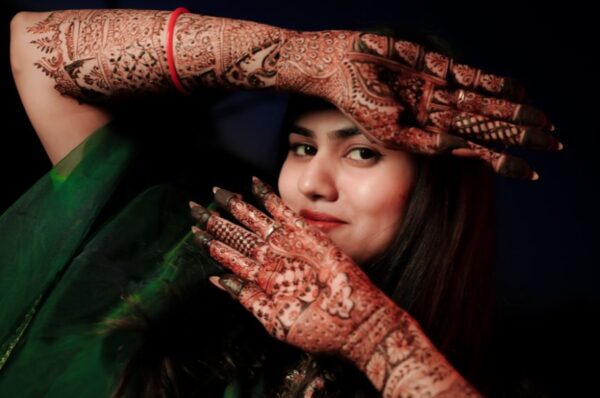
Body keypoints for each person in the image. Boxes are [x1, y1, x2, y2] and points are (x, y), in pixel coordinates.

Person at [3, 7, 561, 397]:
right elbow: (33, 47)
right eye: (301, 146)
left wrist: (376, 340)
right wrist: (295, 59)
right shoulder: (179, 261)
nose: (312, 183)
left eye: (363, 153)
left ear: (436, 195)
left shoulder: (501, 379)